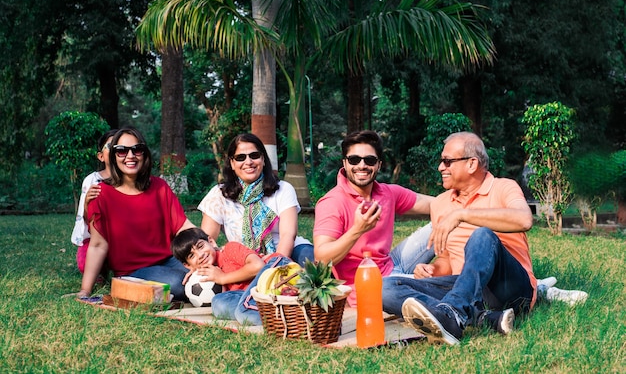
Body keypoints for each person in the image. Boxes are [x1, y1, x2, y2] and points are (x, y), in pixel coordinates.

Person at [381, 131, 537, 345]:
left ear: (472, 164)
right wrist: (433, 270)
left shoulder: (503, 187)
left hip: (509, 289)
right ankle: (479, 317)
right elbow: (446, 258)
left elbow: (524, 220)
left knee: (482, 235)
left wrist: (463, 215)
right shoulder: (440, 204)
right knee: (385, 287)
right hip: (465, 288)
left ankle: (452, 314)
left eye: (447, 161)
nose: (440, 167)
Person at [313, 130, 435, 307]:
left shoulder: (387, 192)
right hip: (368, 284)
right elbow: (321, 259)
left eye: (369, 160)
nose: (362, 165)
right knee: (433, 285)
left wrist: (468, 206)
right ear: (345, 164)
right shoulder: (332, 202)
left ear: (378, 165)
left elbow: (436, 203)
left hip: (392, 263)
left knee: (445, 219)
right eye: (354, 160)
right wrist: (357, 230)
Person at [78, 127, 195, 301]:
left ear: (144, 154)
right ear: (113, 156)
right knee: (180, 284)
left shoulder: (159, 186)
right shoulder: (100, 194)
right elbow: (97, 245)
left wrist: (206, 246)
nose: (130, 156)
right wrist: (85, 290)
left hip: (168, 259)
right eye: (121, 151)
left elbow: (183, 226)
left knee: (206, 270)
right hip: (132, 272)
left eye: (137, 149)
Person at [198, 133, 314, 266]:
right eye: (240, 157)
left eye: (254, 155)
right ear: (232, 163)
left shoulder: (283, 189)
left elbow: (288, 235)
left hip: (287, 251)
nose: (248, 162)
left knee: (309, 258)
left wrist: (274, 266)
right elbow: (206, 240)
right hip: (244, 259)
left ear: (263, 159)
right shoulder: (219, 194)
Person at [172, 227, 292, 325]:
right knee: (219, 304)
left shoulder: (229, 249)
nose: (200, 255)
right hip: (261, 294)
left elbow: (257, 266)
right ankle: (284, 314)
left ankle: (282, 317)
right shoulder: (207, 277)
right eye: (192, 256)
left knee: (242, 312)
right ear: (188, 265)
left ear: (211, 242)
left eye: (200, 246)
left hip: (277, 269)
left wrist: (223, 278)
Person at [71, 129, 117, 274]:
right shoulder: (92, 180)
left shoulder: (132, 180)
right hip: (94, 239)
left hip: (123, 240)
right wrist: (86, 204)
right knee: (86, 263)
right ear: (101, 156)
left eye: (121, 146)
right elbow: (85, 219)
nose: (117, 151)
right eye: (111, 146)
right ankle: (98, 271)